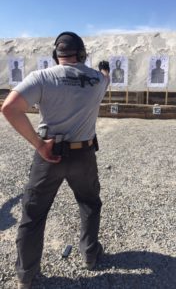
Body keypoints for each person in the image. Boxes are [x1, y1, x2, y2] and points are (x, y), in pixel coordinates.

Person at [2, 31, 110, 289]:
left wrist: (39, 145)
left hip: (49, 154)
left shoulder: (41, 77)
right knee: (89, 203)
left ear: (55, 55)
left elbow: (9, 108)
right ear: (82, 54)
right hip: (84, 154)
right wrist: (104, 71)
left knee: (33, 214)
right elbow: (106, 79)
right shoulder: (96, 79)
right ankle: (90, 254)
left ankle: (26, 275)